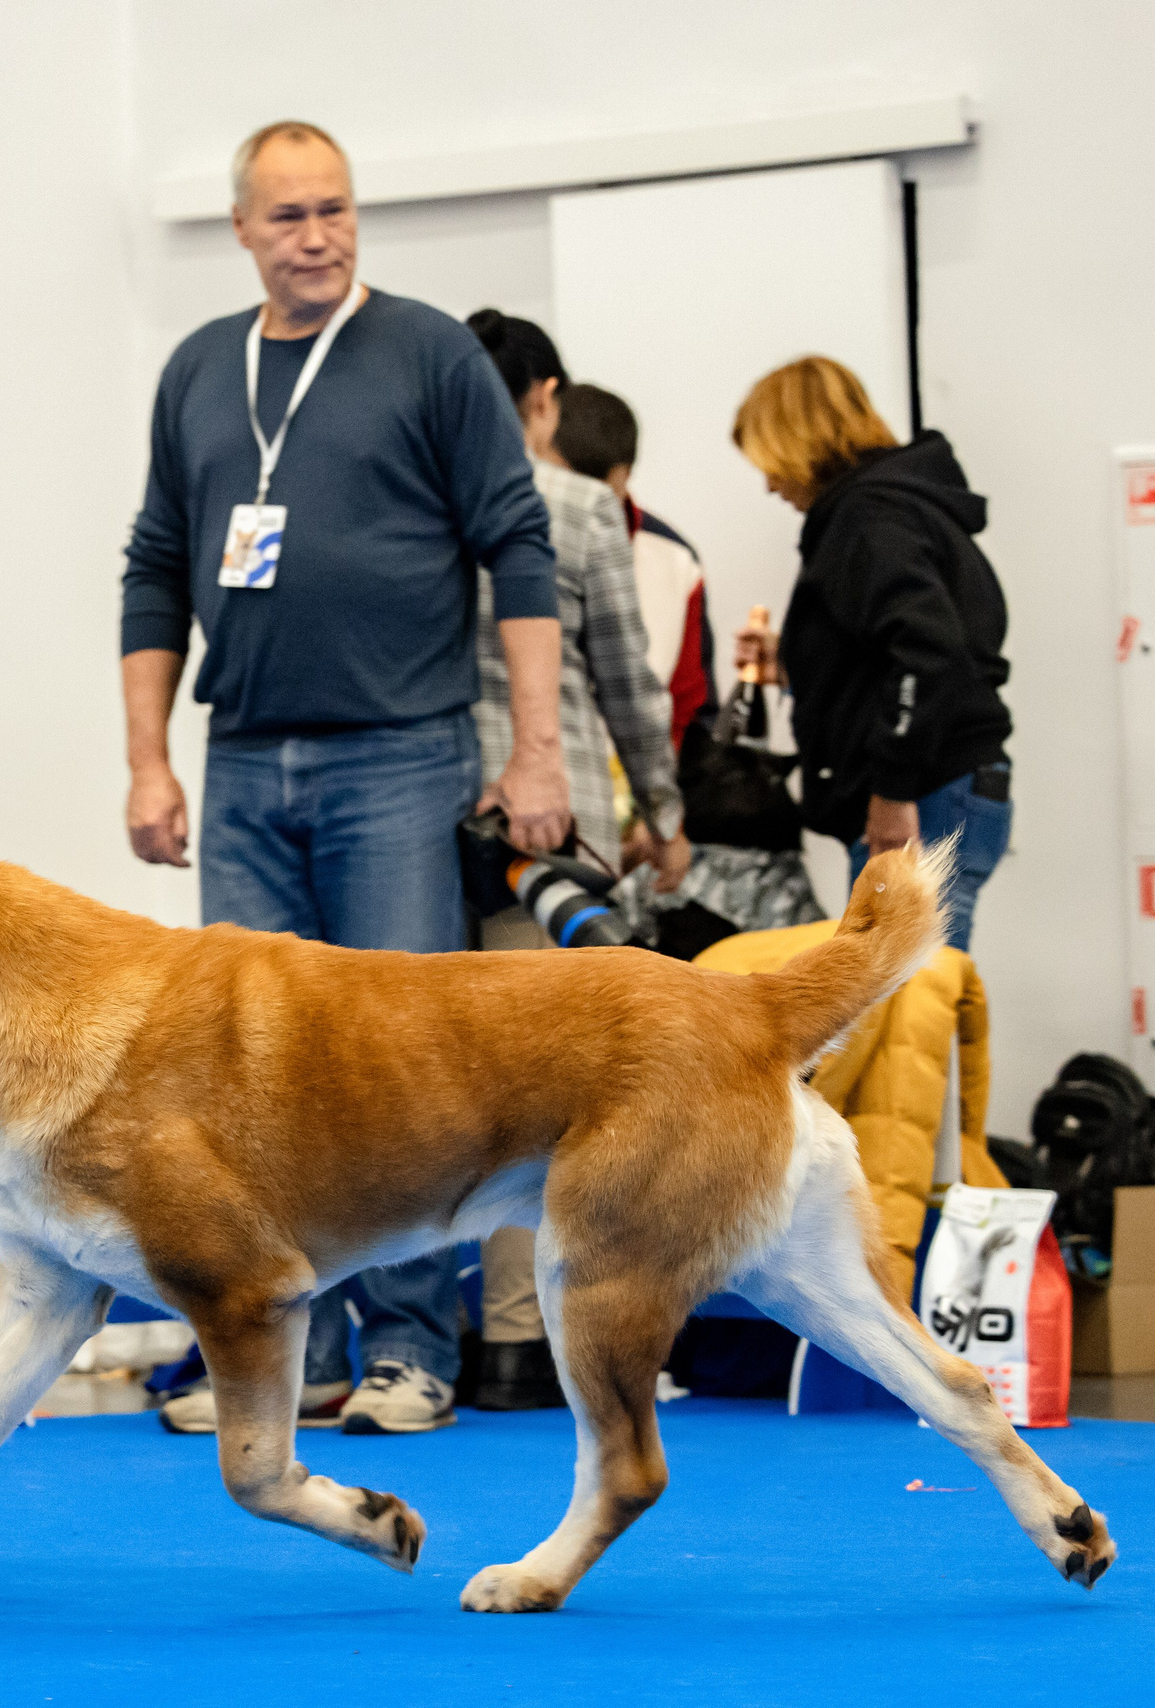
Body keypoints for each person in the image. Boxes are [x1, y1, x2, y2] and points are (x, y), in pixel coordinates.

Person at [121, 121, 569, 1436]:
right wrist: (147, 761)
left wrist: (536, 749)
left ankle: (412, 1350)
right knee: (253, 1073)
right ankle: (286, 1356)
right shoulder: (198, 369)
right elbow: (156, 565)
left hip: (398, 756)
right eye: (289, 215)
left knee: (398, 1070)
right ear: (241, 229)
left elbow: (518, 547)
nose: (316, 236)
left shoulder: (429, 353)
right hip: (242, 761)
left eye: (335, 209)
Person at [462, 312, 685, 1411]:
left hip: (435, 816)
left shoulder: (422, 496)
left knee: (443, 1093)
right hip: (553, 832)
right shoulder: (581, 505)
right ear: (544, 398)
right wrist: (666, 810)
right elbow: (628, 678)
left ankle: (450, 1342)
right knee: (547, 1097)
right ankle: (531, 1340)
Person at [730, 356, 1013, 952]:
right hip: (944, 787)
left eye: (769, 462)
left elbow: (928, 652)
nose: (770, 485)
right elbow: (900, 647)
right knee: (911, 993)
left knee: (906, 996)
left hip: (925, 795)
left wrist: (893, 791)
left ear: (798, 442)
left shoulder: (868, 518)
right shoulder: (894, 509)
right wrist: (799, 663)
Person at [552, 382, 717, 752]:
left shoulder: (674, 559)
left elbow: (689, 702)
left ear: (625, 475)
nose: (584, 511)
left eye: (602, 494)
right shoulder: (510, 548)